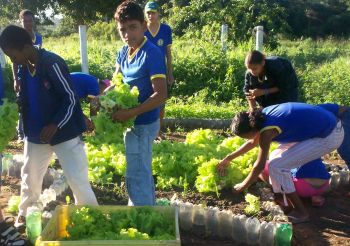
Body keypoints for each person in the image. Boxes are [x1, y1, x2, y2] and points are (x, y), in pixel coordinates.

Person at [0, 25, 98, 228]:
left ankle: (90, 219)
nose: (12, 60)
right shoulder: (23, 67)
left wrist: (56, 124)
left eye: (13, 55)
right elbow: (26, 96)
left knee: (77, 178)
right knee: (30, 176)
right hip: (36, 134)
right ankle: (26, 215)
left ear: (26, 47)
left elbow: (71, 99)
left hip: (65, 134)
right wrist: (18, 103)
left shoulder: (51, 63)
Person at [217, 102, 344, 224]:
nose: (246, 139)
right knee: (275, 159)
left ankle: (301, 212)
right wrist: (228, 158)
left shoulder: (267, 131)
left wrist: (243, 185)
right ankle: (282, 199)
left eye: (245, 137)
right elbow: (252, 142)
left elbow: (259, 165)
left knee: (277, 166)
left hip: (329, 135)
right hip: (324, 128)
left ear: (252, 130)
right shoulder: (258, 118)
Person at [113, 0, 167, 206]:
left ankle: (142, 215)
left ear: (144, 26)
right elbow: (116, 81)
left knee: (138, 171)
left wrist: (131, 112)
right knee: (137, 168)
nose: (127, 34)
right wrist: (101, 98)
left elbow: (161, 95)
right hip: (131, 122)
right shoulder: (123, 52)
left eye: (132, 27)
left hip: (144, 123)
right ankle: (142, 208)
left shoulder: (152, 53)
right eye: (122, 30)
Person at [144, 1, 174, 138]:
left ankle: (158, 130)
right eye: (148, 12)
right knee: (145, 99)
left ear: (158, 13)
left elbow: (168, 53)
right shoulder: (142, 28)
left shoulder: (166, 29)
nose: (150, 15)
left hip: (160, 71)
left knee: (161, 100)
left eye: (153, 12)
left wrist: (170, 73)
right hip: (144, 71)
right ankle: (146, 129)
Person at [14, 9, 43, 141]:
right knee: (22, 103)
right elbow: (14, 60)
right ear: (21, 22)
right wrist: (16, 79)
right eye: (25, 21)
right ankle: (21, 134)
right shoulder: (17, 39)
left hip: (35, 76)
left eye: (30, 20)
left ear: (33, 21)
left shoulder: (39, 37)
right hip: (22, 76)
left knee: (36, 101)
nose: (27, 23)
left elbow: (40, 57)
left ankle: (35, 130)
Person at [260, 159, 331, 207]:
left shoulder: (291, 144)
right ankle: (316, 196)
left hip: (304, 188)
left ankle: (284, 197)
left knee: (264, 166)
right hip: (325, 185)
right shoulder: (315, 143)